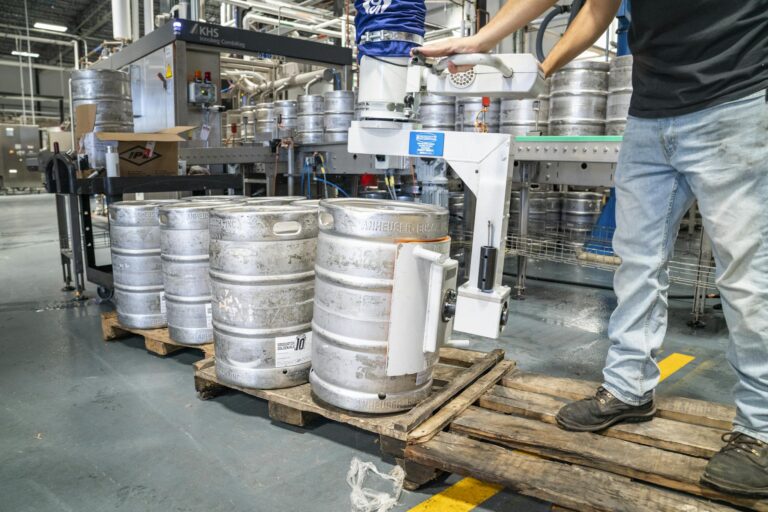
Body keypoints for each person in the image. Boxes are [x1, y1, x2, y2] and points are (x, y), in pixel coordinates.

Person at [418, 0, 768, 497]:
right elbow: (598, 8)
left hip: (734, 105)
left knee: (746, 277)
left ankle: (760, 430)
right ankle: (629, 388)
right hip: (648, 116)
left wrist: (485, 38)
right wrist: (536, 67)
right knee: (635, 264)